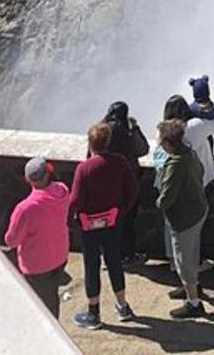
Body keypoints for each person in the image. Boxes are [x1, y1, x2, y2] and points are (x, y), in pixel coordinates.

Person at [70, 122, 138, 329]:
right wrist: (121, 211)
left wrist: (72, 216)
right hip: (113, 222)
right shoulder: (120, 162)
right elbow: (133, 189)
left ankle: (93, 313)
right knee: (114, 261)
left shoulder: (84, 168)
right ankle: (123, 306)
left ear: (90, 143)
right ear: (108, 142)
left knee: (92, 265)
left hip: (88, 225)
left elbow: (76, 199)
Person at [4, 157, 70, 318]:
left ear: (28, 179)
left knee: (42, 308)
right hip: (60, 255)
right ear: (48, 174)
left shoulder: (25, 208)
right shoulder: (62, 191)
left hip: (38, 265)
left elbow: (11, 240)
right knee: (51, 297)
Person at [156, 119, 209, 319]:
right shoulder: (190, 153)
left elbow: (167, 197)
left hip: (184, 218)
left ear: (169, 142)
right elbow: (202, 172)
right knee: (193, 252)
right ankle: (191, 287)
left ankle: (194, 303)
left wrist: (159, 204)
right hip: (199, 210)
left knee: (183, 260)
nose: (160, 143)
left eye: (162, 141)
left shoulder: (176, 163)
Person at [103, 101, 150, 266]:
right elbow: (143, 149)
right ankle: (128, 256)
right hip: (128, 185)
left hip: (106, 185)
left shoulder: (101, 132)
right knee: (128, 221)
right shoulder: (126, 134)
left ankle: (109, 256)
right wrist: (135, 127)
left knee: (109, 220)